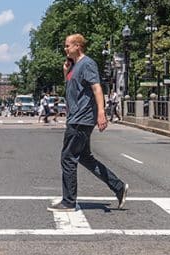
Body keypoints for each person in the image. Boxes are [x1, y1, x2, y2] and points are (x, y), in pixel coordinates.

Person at [48, 34, 129, 212]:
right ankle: (118, 187)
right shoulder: (74, 66)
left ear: (78, 46)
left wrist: (101, 112)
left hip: (81, 119)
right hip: (76, 117)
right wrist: (65, 71)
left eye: (68, 45)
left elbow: (96, 88)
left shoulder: (88, 64)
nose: (65, 48)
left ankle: (68, 202)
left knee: (68, 158)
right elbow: (72, 89)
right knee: (84, 157)